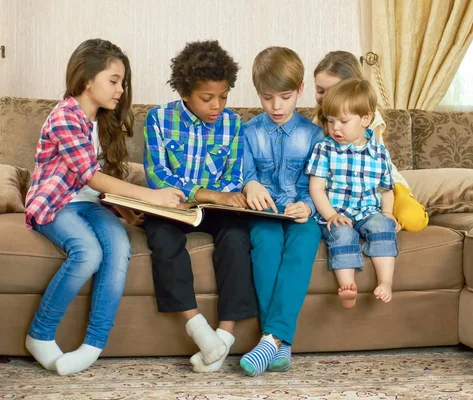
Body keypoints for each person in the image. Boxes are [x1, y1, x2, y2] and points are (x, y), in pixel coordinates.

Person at [24, 38, 185, 375]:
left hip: (89, 204)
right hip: (57, 204)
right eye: (114, 81)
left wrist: (127, 212)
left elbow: (100, 185)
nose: (121, 90)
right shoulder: (65, 116)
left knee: (119, 246)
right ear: (87, 79)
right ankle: (39, 334)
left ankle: (93, 344)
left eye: (123, 82)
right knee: (88, 253)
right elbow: (90, 176)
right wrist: (151, 196)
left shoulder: (100, 121)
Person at [142, 40, 258, 373]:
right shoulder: (158, 119)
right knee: (161, 238)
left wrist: (220, 198)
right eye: (207, 98)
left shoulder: (233, 124)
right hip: (173, 206)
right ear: (185, 92)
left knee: (238, 238)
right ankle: (198, 328)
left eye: (223, 96)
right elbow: (157, 176)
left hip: (218, 209)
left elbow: (235, 174)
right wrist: (209, 194)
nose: (217, 105)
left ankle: (225, 335)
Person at [239, 47, 323, 377]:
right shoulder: (248, 132)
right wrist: (249, 185)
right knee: (266, 248)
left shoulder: (314, 135)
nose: (276, 106)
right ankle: (280, 343)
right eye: (267, 97)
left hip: (302, 214)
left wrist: (310, 205)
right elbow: (243, 174)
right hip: (264, 215)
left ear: (300, 90)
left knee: (302, 249)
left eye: (285, 97)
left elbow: (318, 184)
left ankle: (270, 338)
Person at [306, 78, 400, 309]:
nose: (335, 127)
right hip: (337, 212)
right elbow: (316, 188)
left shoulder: (379, 152)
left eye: (343, 121)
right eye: (330, 121)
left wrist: (387, 213)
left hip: (368, 211)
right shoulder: (324, 149)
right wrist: (330, 215)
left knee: (382, 227)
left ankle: (385, 282)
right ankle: (347, 287)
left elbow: (386, 189)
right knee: (343, 234)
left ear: (365, 119)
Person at [313, 51, 428, 232]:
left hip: (378, 185)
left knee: (412, 220)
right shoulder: (318, 120)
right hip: (341, 188)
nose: (327, 97)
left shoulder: (368, 117)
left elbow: (371, 168)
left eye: (335, 90)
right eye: (320, 91)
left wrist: (386, 212)